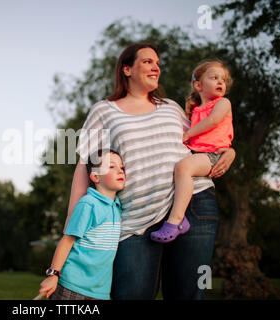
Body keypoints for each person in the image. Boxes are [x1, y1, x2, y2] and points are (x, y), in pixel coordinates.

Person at [67, 42, 236, 300]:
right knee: (130, 294)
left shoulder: (171, 107)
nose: (156, 67)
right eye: (147, 62)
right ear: (127, 69)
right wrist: (73, 226)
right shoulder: (105, 110)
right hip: (137, 217)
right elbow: (84, 165)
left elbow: (204, 140)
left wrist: (230, 152)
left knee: (188, 294)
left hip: (194, 203)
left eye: (157, 63)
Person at [150, 60, 234, 243]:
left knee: (184, 168)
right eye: (214, 78)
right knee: (181, 172)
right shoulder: (195, 110)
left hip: (213, 154)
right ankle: (181, 213)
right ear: (198, 85)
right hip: (199, 154)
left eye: (224, 80)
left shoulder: (223, 103)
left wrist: (187, 134)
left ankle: (175, 220)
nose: (221, 82)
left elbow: (213, 121)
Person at [39, 149, 125, 300]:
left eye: (122, 167)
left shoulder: (117, 207)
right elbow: (67, 240)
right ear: (96, 176)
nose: (120, 171)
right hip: (71, 287)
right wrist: (53, 274)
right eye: (111, 167)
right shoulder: (88, 204)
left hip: (100, 292)